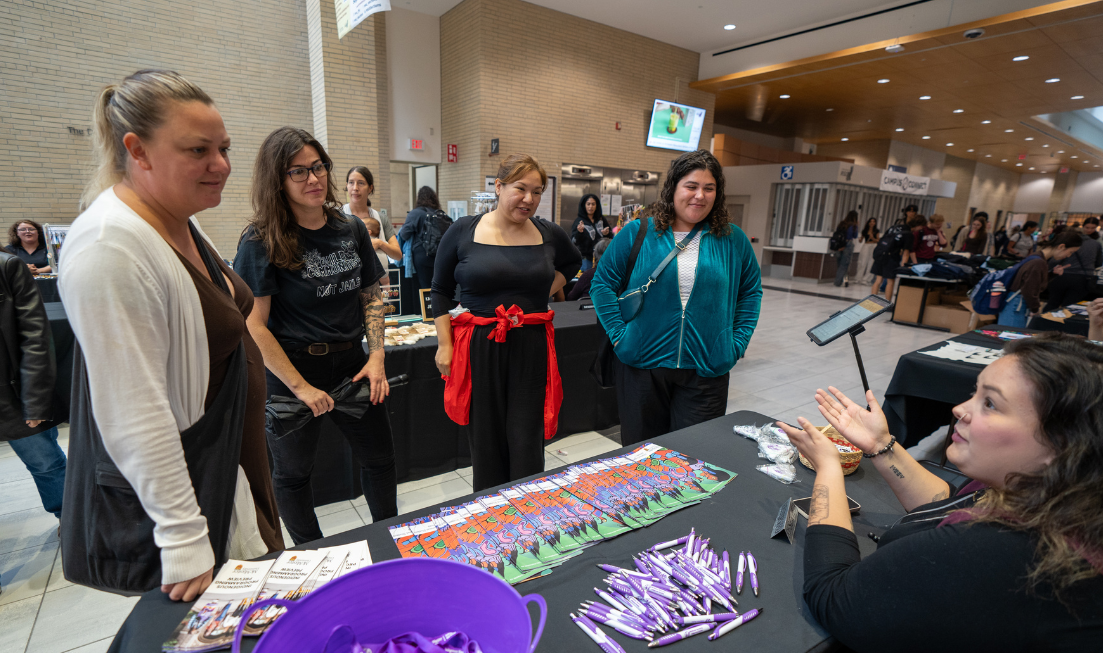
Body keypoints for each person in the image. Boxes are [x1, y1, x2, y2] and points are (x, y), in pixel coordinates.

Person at [59, 70, 282, 601]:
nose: (222, 165)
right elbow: (133, 410)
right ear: (137, 150)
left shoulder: (180, 218)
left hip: (231, 465)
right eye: (199, 150)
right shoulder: (108, 249)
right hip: (197, 487)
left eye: (224, 148)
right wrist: (182, 536)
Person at [777, 333, 1103, 651]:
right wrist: (880, 446)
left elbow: (834, 597)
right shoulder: (1056, 492)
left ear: (1061, 445)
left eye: (990, 403)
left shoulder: (1007, 550)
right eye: (975, 394)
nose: (960, 409)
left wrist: (829, 468)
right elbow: (946, 505)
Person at [235, 127, 398, 544]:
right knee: (292, 475)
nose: (314, 179)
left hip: (353, 364)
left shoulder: (351, 228)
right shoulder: (260, 239)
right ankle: (312, 555)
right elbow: (254, 325)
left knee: (379, 461)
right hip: (291, 369)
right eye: (298, 171)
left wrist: (376, 356)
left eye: (319, 166)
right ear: (277, 179)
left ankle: (387, 543)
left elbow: (371, 296)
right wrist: (301, 388)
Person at [590, 149, 762, 444]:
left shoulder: (733, 239)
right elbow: (602, 285)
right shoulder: (637, 232)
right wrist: (621, 337)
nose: (700, 196)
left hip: (706, 369)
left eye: (709, 188)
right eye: (691, 186)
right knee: (642, 459)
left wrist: (734, 344)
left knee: (694, 458)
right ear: (673, 189)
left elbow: (750, 292)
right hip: (642, 366)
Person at [432, 153, 581, 492]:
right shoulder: (463, 231)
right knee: (485, 439)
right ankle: (490, 513)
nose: (529, 199)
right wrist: (444, 345)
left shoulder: (548, 233)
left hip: (530, 346)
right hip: (479, 347)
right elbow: (440, 290)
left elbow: (572, 265)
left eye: (537, 191)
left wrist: (543, 291)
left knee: (526, 437)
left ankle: (527, 511)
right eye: (520, 188)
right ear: (498, 187)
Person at [0, 250, 66, 523]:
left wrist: (35, 400)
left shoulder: (7, 266)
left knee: (45, 462)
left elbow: (35, 336)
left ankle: (69, 517)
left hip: (9, 392)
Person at [999, 230, 1082, 327]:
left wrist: (1052, 274)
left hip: (1016, 302)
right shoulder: (1038, 262)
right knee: (1011, 336)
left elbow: (1034, 281)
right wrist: (1035, 309)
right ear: (1061, 246)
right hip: (1017, 304)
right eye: (1070, 252)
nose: (1069, 256)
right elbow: (1029, 289)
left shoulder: (1038, 257)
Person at [343, 166, 401, 262]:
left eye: (361, 183)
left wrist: (379, 243)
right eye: (351, 183)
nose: (355, 188)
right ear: (347, 185)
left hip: (380, 276)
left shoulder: (381, 218)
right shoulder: (337, 216)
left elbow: (398, 255)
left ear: (370, 188)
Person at [1043, 217, 1101, 311]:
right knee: (1070, 307)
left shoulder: (1068, 241)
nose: (1089, 230)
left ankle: (1043, 323)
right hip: (1082, 278)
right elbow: (1098, 263)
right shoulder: (1096, 244)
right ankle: (1064, 324)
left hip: (1061, 275)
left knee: (1053, 303)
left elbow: (1055, 259)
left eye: (1092, 228)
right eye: (1087, 227)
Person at [398, 185, 447, 291]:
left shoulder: (416, 213)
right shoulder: (440, 213)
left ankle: (426, 307)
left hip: (422, 256)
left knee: (424, 289)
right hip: (440, 257)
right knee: (438, 288)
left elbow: (404, 234)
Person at [869, 215, 909, 300]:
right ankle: (887, 303)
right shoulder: (906, 233)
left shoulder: (891, 229)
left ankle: (871, 301)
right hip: (892, 258)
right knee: (890, 281)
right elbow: (905, 251)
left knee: (878, 280)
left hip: (881, 255)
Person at [571, 193, 610, 271]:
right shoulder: (579, 221)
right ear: (584, 205)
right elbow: (574, 241)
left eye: (593, 204)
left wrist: (607, 233)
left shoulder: (601, 219)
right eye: (588, 204)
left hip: (601, 258)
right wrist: (579, 232)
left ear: (597, 206)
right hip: (586, 260)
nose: (590, 207)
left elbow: (610, 237)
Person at [855, 217, 879, 284]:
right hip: (866, 245)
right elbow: (861, 240)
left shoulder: (876, 231)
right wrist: (859, 239)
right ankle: (858, 278)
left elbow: (878, 240)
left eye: (873, 222)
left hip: (873, 245)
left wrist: (872, 238)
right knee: (862, 261)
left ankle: (866, 279)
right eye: (871, 221)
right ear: (868, 223)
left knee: (871, 262)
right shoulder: (865, 230)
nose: (872, 223)